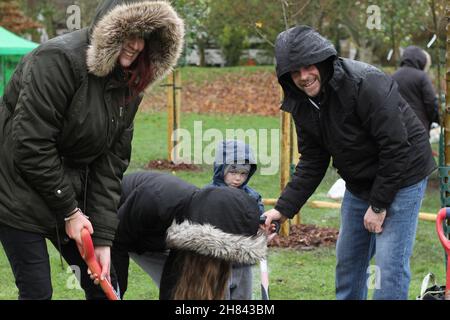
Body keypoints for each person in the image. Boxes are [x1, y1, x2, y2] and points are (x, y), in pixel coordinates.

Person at [0, 0, 184, 300]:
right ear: (110, 31)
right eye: (130, 33)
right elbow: (30, 144)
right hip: (16, 190)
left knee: (102, 283)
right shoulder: (57, 60)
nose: (137, 45)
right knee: (37, 291)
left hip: (69, 192)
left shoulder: (130, 84)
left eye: (145, 36)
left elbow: (110, 164)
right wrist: (70, 211)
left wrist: (102, 238)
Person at [263, 25, 436, 300]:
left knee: (388, 268)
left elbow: (395, 147)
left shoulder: (366, 84)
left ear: (322, 60)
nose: (303, 77)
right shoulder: (301, 102)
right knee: (349, 261)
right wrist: (282, 210)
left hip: (403, 174)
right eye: (294, 72)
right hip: (359, 183)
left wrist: (379, 205)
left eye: (308, 67)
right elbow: (313, 160)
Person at [110, 171, 267, 300]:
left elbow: (173, 285)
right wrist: (115, 292)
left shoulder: (194, 226)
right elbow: (114, 243)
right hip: (110, 227)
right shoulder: (157, 199)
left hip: (158, 236)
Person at [207, 140, 263, 299]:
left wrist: (264, 225)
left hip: (243, 262)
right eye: (233, 172)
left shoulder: (252, 197)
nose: (238, 178)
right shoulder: (209, 195)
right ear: (221, 168)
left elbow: (258, 220)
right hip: (217, 263)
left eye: (243, 173)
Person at [392, 46, 439, 136]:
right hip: (419, 126)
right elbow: (430, 102)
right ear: (421, 59)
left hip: (398, 126)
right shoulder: (421, 76)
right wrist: (438, 119)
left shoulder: (393, 76)